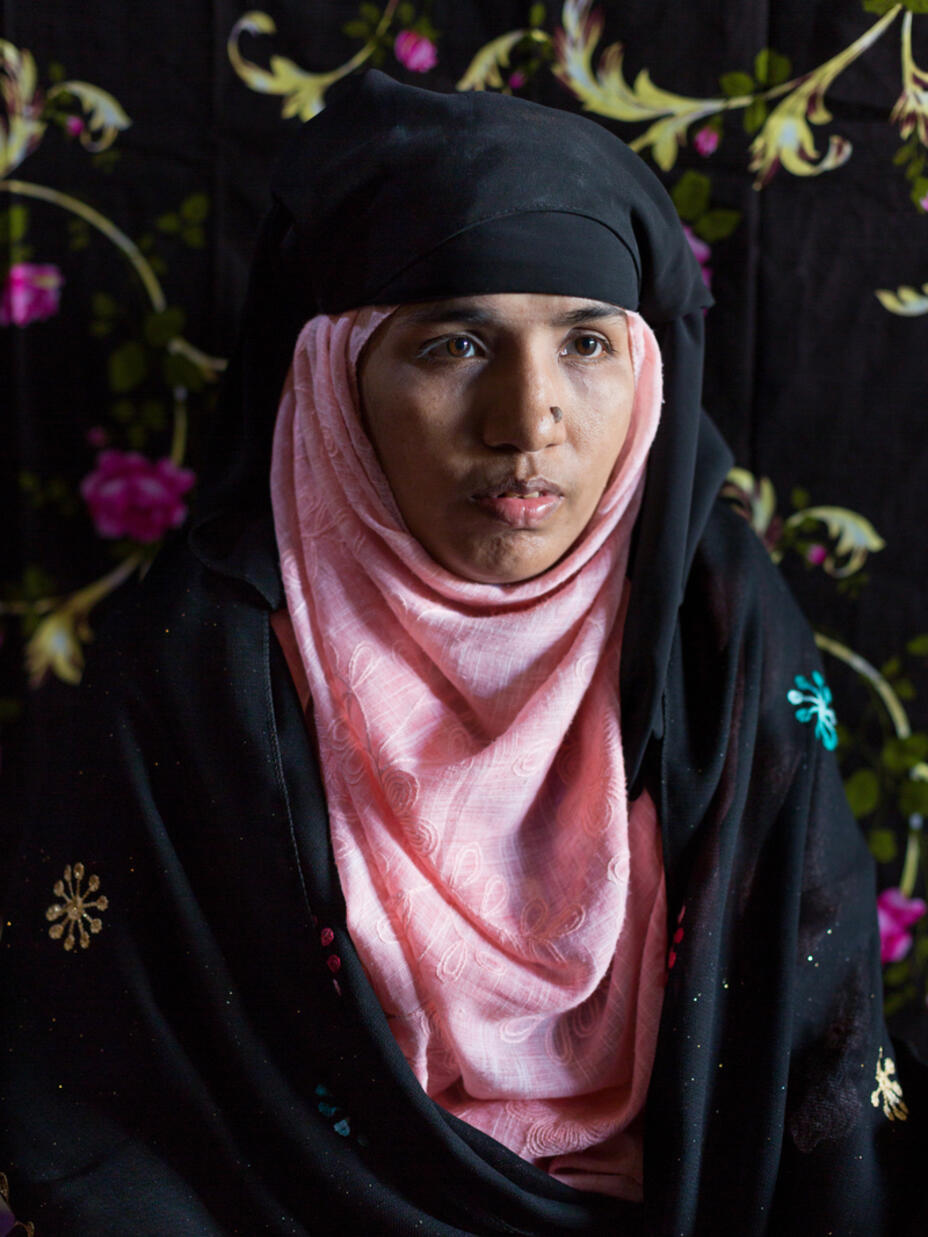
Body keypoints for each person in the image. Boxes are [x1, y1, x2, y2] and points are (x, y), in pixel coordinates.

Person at [0, 70, 925, 1236]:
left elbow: (816, 1069)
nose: (527, 416)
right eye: (452, 345)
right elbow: (86, 1090)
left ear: (645, 381)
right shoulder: (192, 670)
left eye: (586, 342)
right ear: (337, 382)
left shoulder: (719, 639)